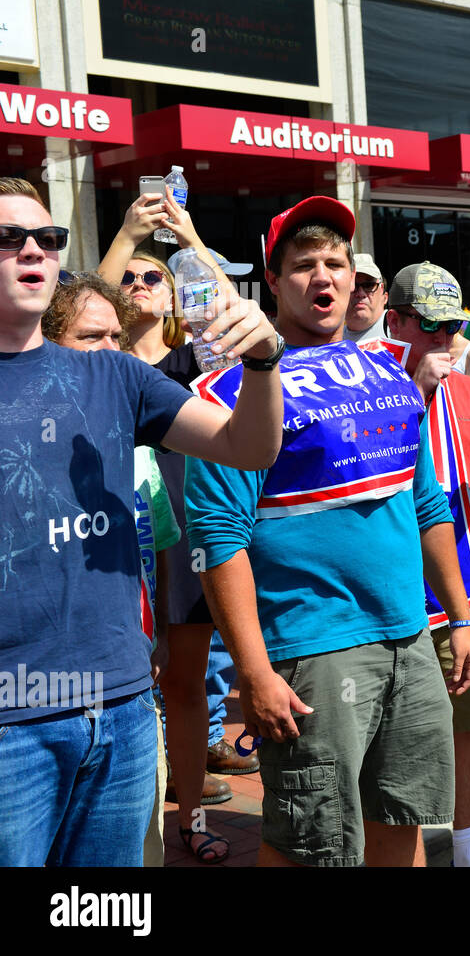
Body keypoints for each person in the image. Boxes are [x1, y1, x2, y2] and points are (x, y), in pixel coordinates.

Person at [0, 176, 284, 867]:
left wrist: (264, 360)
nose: (33, 249)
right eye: (11, 238)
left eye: (47, 237)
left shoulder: (116, 377)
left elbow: (249, 446)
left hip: (123, 709)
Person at [185, 196, 470, 867]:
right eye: (303, 265)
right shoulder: (233, 390)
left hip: (409, 637)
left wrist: (458, 617)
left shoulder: (387, 372)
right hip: (313, 653)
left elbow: (426, 502)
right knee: (311, 844)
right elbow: (218, 536)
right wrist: (254, 671)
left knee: (402, 822)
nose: (324, 277)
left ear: (354, 278)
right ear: (274, 279)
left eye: (336, 263)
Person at [99, 195, 257, 855]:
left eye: (152, 276)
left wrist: (187, 235)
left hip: (185, 539)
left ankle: (189, 817)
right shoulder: (93, 365)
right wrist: (131, 236)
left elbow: (243, 325)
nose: (138, 284)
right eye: (128, 276)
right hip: (111, 543)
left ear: (173, 294)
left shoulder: (198, 361)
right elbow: (76, 303)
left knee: (186, 684)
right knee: (124, 688)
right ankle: (126, 830)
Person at [385, 261, 470, 868]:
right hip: (397, 597)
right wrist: (413, 389)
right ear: (397, 322)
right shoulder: (374, 380)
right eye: (432, 326)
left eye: (453, 328)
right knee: (404, 745)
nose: (446, 340)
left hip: (469, 590)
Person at [41, 272, 180, 867]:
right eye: (91, 338)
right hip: (34, 706)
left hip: (129, 695)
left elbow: (162, 548)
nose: (113, 355)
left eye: (119, 338)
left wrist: (160, 635)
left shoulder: (137, 447)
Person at [344, 252, 388, 344]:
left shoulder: (399, 331)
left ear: (383, 295)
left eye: (368, 286)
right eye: (352, 285)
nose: (360, 294)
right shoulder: (330, 339)